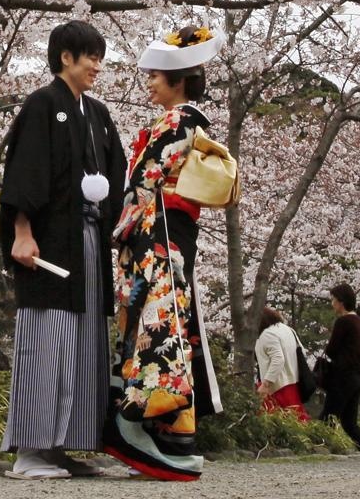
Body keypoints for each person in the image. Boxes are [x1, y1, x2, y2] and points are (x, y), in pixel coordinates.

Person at [0, 21, 127, 480]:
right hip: (50, 239)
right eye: (89, 55)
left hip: (89, 241)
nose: (97, 64)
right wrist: (22, 231)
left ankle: (64, 446)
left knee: (86, 340)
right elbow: (25, 172)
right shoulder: (42, 104)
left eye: (99, 55)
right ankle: (31, 450)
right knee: (48, 336)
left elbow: (115, 175)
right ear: (64, 58)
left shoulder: (97, 113)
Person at [104, 25, 226, 480]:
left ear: (179, 79)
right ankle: (170, 435)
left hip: (160, 236)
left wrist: (119, 229)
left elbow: (145, 183)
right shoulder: (181, 121)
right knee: (164, 321)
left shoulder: (179, 121)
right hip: (167, 232)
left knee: (161, 322)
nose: (150, 83)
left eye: (156, 76)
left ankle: (144, 411)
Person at [319, 283, 360, 452]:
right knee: (349, 422)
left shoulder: (343, 322)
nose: (332, 303)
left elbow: (331, 349)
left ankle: (319, 448)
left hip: (342, 377)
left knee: (327, 417)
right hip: (356, 377)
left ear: (341, 301)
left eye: (333, 299)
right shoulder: (357, 321)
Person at [254, 307, 309, 421]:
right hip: (292, 381)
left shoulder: (267, 335)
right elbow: (301, 351)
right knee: (297, 420)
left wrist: (265, 384)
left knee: (274, 421)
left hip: (276, 386)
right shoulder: (287, 329)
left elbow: (278, 359)